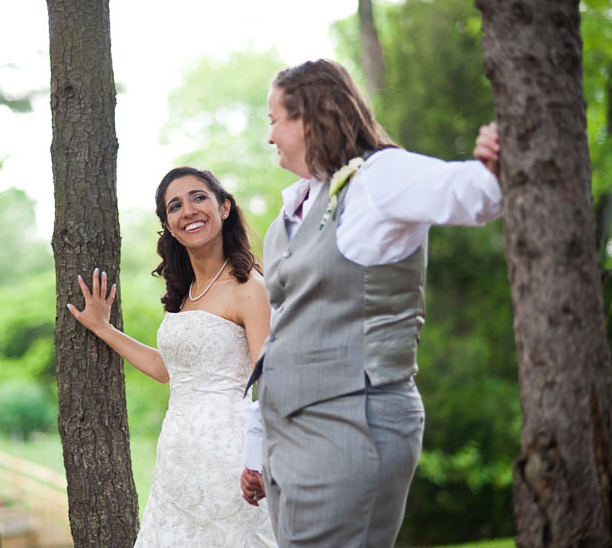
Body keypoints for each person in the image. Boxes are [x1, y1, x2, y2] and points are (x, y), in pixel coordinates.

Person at [239, 59, 502, 547]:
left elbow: (476, 195)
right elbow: (283, 338)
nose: (270, 135)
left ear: (311, 117)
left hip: (352, 429)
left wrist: (498, 156)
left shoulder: (380, 178)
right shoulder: (290, 213)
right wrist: (258, 446)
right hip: (288, 445)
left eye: (274, 119)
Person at [67, 166, 277, 547]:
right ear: (169, 224)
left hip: (229, 455)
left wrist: (261, 459)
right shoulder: (185, 292)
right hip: (177, 455)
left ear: (224, 207)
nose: (189, 211)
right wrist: (103, 327)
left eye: (199, 198)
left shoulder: (250, 288)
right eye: (175, 206)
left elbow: (273, 382)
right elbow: (167, 370)